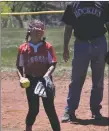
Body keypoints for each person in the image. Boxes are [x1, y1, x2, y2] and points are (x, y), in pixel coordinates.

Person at [61, 1, 109, 122]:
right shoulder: (72, 6)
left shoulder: (103, 4)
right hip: (81, 43)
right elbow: (68, 28)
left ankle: (96, 110)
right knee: (76, 78)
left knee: (98, 79)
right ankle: (70, 110)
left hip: (99, 42)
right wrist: (65, 47)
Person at [16, 20, 60, 131]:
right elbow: (19, 66)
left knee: (50, 109)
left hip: (45, 80)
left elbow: (53, 64)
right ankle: (28, 128)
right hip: (31, 81)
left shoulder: (48, 47)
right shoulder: (23, 48)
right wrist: (21, 77)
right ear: (30, 31)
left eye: (41, 30)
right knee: (34, 110)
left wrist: (46, 76)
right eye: (36, 30)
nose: (38, 33)